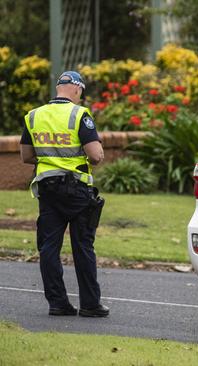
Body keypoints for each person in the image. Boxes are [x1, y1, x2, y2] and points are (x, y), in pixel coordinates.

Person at [20, 71, 109, 317]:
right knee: (83, 246)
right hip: (77, 189)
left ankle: (58, 303)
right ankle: (90, 305)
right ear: (77, 90)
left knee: (49, 247)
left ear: (59, 87)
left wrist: (52, 160)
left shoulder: (34, 116)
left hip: (48, 190)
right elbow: (96, 155)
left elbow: (26, 156)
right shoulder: (79, 114)